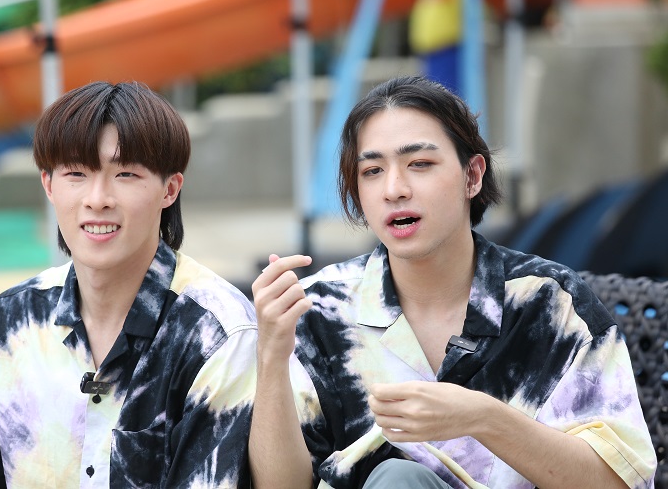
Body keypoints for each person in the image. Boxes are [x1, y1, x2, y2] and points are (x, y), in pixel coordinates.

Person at [250, 75, 656, 488]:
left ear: (472, 176)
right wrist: (270, 354)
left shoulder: (549, 303)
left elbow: (621, 482)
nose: (394, 189)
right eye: (372, 171)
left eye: (420, 164)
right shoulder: (318, 308)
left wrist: (484, 417)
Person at [0, 81, 257, 488]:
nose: (98, 199)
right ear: (49, 185)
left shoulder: (216, 332)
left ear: (169, 190)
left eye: (125, 174)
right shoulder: (12, 319)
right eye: (77, 174)